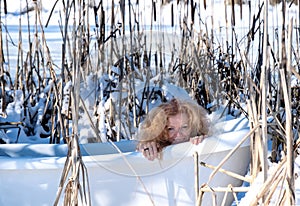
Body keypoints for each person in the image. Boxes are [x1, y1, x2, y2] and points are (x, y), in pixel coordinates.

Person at [136, 98, 210, 160]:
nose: (178, 134)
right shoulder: (157, 146)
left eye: (184, 127)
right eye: (170, 129)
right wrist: (146, 147)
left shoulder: (199, 138)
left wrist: (204, 141)